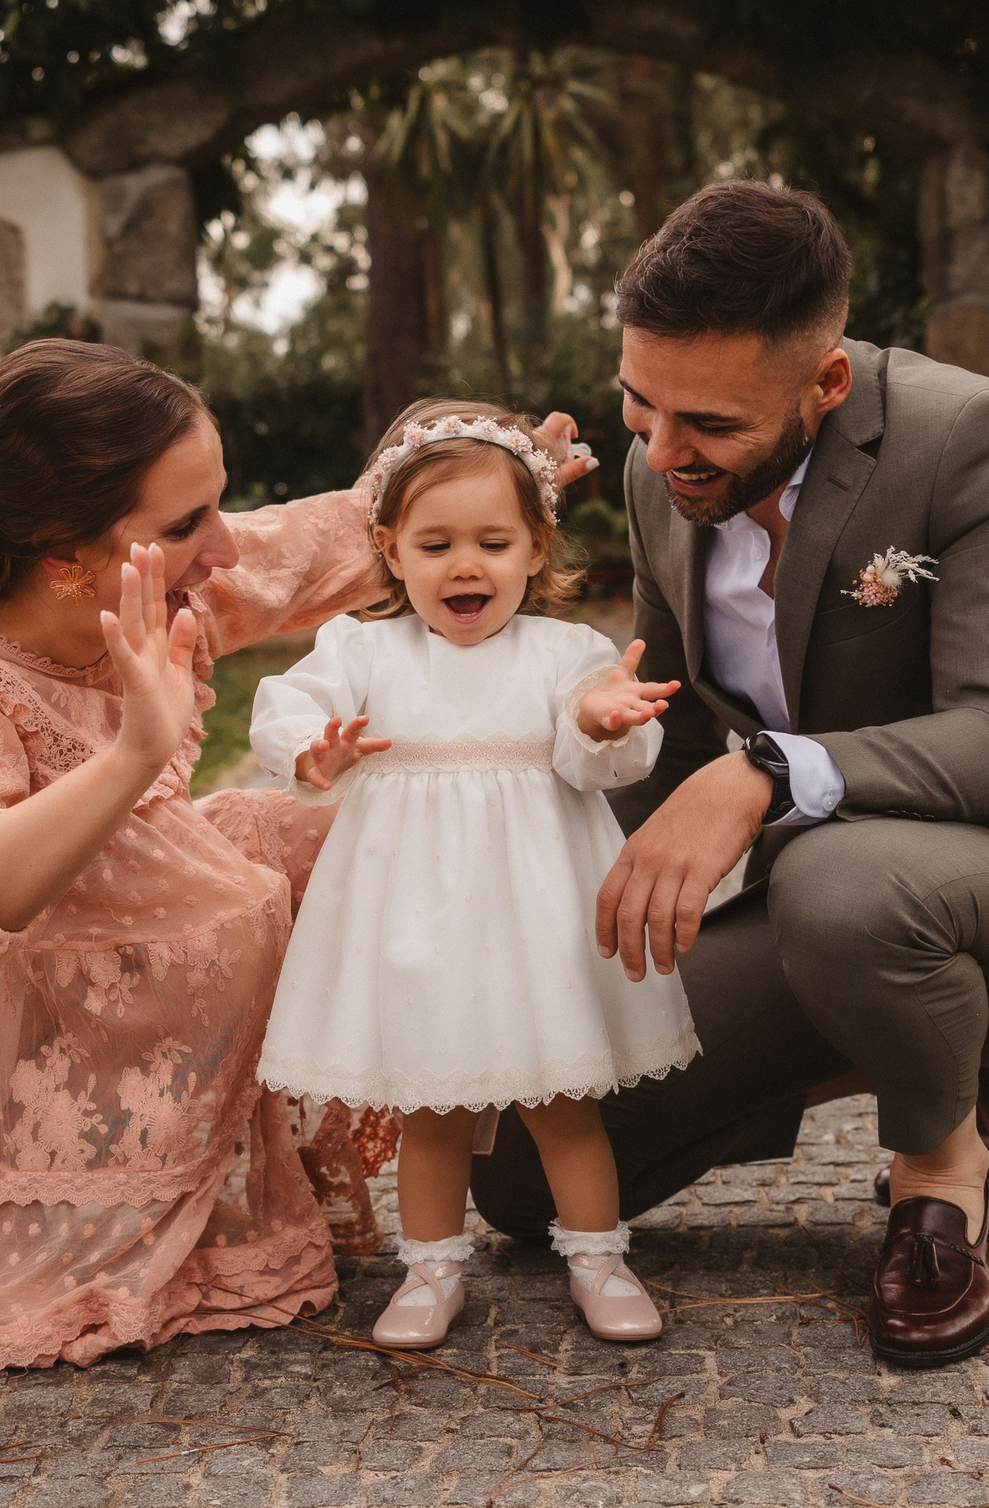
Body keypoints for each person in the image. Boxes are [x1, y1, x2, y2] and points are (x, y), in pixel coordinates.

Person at [0, 342, 587, 1369]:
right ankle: (90, 1204)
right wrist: (137, 749)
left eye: (213, 506)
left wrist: (491, 471)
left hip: (82, 915)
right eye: (186, 524)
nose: (219, 545)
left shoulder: (136, 589)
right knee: (240, 897)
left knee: (342, 841)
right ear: (60, 549)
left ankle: (532, 1083)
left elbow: (280, 553)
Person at [470, 182, 989, 1369]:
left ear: (826, 385)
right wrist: (516, 878)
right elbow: (673, 741)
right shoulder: (659, 471)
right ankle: (897, 1025)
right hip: (846, 891)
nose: (663, 454)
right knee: (522, 1178)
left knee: (841, 887)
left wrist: (763, 770)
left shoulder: (980, 435)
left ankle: (941, 1166)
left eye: (705, 423)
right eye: (636, 403)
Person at [250, 400, 697, 1350]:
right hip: (415, 920)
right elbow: (289, 705)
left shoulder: (563, 654)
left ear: (536, 548)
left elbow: (596, 755)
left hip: (536, 919)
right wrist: (309, 750)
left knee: (562, 1103)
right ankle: (432, 1268)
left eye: (494, 541)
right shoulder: (364, 651)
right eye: (437, 542)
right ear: (391, 549)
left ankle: (599, 1258)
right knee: (431, 1104)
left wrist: (606, 719)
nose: (466, 565)